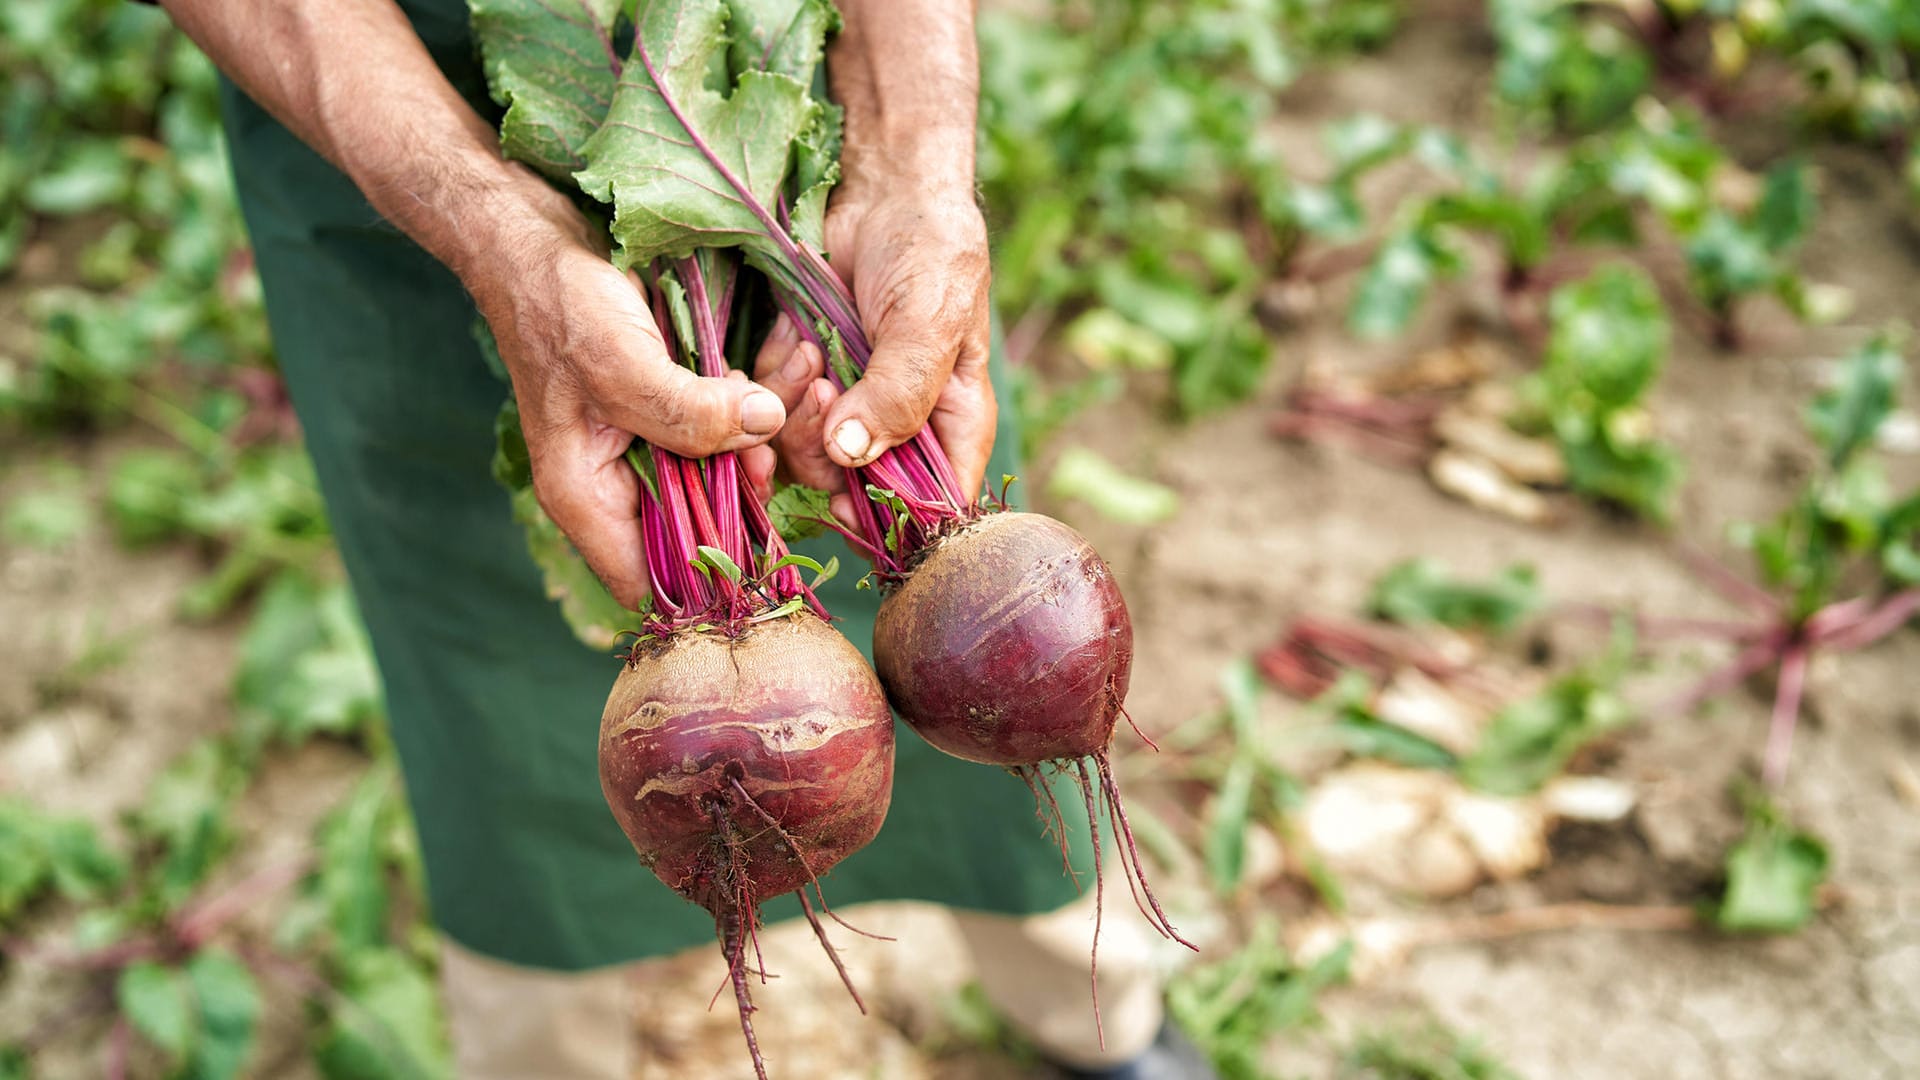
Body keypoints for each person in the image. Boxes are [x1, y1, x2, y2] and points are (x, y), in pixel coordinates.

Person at [156, 0, 1217, 1076]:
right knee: (493, 725)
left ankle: (1098, 1018)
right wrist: (499, 243)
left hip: (814, 181)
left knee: (918, 427)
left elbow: (906, 164)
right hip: (374, 111)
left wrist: (913, 163)